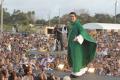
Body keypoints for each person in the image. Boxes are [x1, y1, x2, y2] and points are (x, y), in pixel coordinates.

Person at [67, 12, 97, 78]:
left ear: (75, 17)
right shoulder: (71, 25)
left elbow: (83, 32)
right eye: (70, 16)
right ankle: (75, 72)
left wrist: (78, 38)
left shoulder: (78, 24)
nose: (71, 17)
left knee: (76, 58)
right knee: (73, 58)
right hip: (72, 46)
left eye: (73, 16)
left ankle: (77, 73)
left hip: (77, 46)